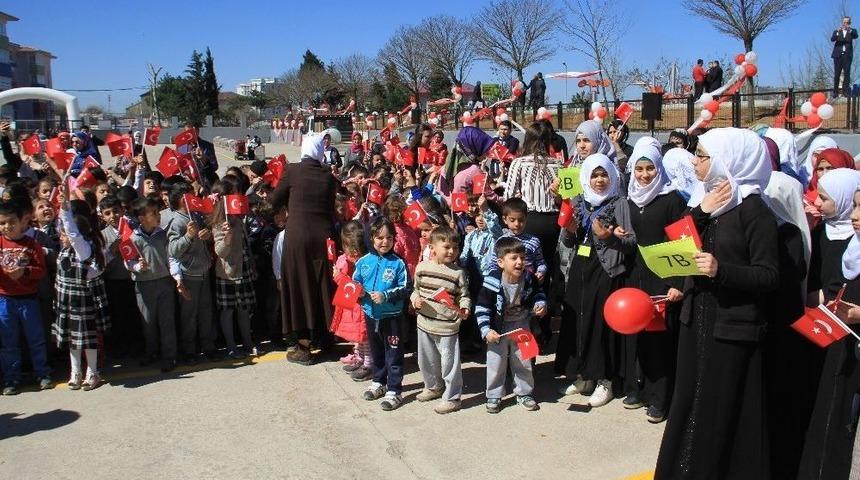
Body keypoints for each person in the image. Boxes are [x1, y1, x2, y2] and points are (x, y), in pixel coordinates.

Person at [655, 128, 778, 480]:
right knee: (688, 404)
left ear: (729, 161)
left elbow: (768, 275)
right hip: (697, 321)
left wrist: (723, 272)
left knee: (718, 411)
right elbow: (675, 248)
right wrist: (702, 212)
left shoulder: (754, 211)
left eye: (704, 156)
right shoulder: (706, 201)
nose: (696, 161)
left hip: (731, 328)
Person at [556, 153, 636, 407]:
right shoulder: (581, 202)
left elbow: (631, 243)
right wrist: (569, 230)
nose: (599, 180)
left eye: (603, 174)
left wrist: (609, 237)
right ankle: (585, 375)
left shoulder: (620, 203)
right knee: (580, 320)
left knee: (601, 323)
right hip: (581, 266)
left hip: (606, 269)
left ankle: (606, 380)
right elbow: (570, 240)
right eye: (594, 175)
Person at [799, 169, 860, 479]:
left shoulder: (853, 239)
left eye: (824, 197)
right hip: (823, 327)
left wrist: (825, 297)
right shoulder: (831, 234)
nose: (818, 203)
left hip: (846, 336)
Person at [624, 144, 686, 423]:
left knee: (660, 338)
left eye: (650, 168)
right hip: (637, 276)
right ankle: (640, 389)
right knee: (639, 334)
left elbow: (684, 244)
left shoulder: (672, 200)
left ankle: (660, 398)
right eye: (639, 168)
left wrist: (678, 283)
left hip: (664, 279)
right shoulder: (630, 199)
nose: (645, 175)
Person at [270, 134, 339, 365]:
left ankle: (303, 347)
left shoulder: (292, 170)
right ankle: (327, 339)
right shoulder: (328, 176)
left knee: (300, 287)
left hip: (298, 238)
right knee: (322, 286)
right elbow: (330, 209)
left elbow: (275, 200)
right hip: (324, 237)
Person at [476, 236, 546, 413]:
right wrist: (486, 330)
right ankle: (494, 394)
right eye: (513, 258)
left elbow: (539, 293)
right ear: (500, 262)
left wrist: (541, 304)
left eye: (522, 257)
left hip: (522, 324)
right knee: (496, 362)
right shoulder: (492, 280)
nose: (519, 262)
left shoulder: (529, 277)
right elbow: (482, 307)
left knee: (524, 360)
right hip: (498, 329)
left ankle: (524, 393)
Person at [53, 192, 110, 391]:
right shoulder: (65, 250)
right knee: (72, 341)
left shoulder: (83, 249)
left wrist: (64, 208)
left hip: (81, 301)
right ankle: (75, 371)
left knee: (87, 340)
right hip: (66, 301)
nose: (63, 236)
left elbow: (71, 231)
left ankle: (92, 372)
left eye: (65, 233)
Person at [411, 225, 471, 414]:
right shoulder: (421, 268)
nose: (451, 251)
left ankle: (452, 397)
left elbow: (464, 295)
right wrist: (415, 300)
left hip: (447, 326)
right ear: (432, 247)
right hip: (424, 324)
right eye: (446, 247)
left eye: (455, 247)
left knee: (449, 363)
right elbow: (415, 290)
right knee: (427, 360)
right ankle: (433, 387)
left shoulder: (458, 273)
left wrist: (465, 307)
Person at [352, 217, 410, 411]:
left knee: (393, 354)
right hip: (371, 315)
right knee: (377, 351)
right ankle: (379, 381)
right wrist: (359, 294)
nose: (385, 242)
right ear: (371, 238)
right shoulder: (363, 262)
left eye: (389, 237)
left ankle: (395, 390)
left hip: (392, 316)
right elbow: (354, 284)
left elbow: (405, 288)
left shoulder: (398, 263)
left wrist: (385, 295)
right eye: (379, 237)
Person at [126, 197, 187, 373]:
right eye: (153, 213)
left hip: (164, 282)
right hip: (144, 286)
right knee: (148, 322)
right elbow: (128, 261)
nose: (158, 215)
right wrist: (137, 266)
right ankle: (151, 352)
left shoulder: (163, 234)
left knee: (167, 321)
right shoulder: (133, 238)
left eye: (157, 212)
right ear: (141, 218)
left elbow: (171, 257)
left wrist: (176, 277)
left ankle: (170, 356)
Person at [0, 199, 52, 395]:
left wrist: (24, 272)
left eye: (11, 221)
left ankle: (42, 373)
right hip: (4, 299)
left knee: (35, 338)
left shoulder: (31, 244)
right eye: (2, 222)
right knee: (8, 341)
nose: (7, 226)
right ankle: (11, 377)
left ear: (22, 221)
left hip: (28, 299)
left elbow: (41, 270)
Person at [165, 184, 217, 363]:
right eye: (188, 193)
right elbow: (172, 250)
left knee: (206, 313)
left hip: (203, 272)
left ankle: (208, 346)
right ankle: (189, 351)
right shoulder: (177, 221)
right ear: (181, 199)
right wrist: (188, 236)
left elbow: (206, 237)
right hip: (189, 276)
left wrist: (206, 234)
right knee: (189, 316)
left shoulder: (196, 215)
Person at [330, 220, 371, 381]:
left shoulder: (364, 263)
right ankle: (360, 358)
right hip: (353, 306)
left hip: (362, 306)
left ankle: (369, 364)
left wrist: (339, 277)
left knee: (365, 337)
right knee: (358, 336)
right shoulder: (348, 259)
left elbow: (358, 289)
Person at [831, 16, 857, 97]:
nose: (845, 24)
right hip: (838, 56)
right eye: (844, 22)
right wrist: (838, 32)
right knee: (837, 74)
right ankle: (835, 92)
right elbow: (832, 39)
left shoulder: (852, 31)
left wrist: (850, 30)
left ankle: (845, 91)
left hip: (847, 55)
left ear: (850, 23)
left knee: (847, 74)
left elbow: (856, 36)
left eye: (847, 22)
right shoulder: (837, 31)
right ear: (842, 23)